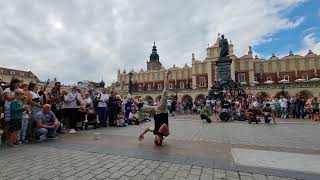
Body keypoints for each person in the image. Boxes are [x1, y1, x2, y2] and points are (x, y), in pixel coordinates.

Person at [138, 71, 170, 146]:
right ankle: (166, 75)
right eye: (156, 139)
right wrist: (158, 134)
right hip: (162, 110)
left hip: (156, 111)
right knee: (165, 91)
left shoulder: (155, 131)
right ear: (159, 139)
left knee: (143, 108)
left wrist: (142, 133)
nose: (155, 137)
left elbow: (148, 128)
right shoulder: (166, 134)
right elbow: (165, 125)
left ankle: (130, 98)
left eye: (155, 138)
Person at [2, 79, 21, 144]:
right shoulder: (7, 90)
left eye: (19, 84)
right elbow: (8, 98)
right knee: (8, 123)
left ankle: (13, 139)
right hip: (8, 108)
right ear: (13, 83)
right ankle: (7, 139)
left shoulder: (20, 90)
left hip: (17, 108)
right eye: (17, 83)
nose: (18, 85)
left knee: (15, 124)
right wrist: (17, 95)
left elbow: (23, 98)